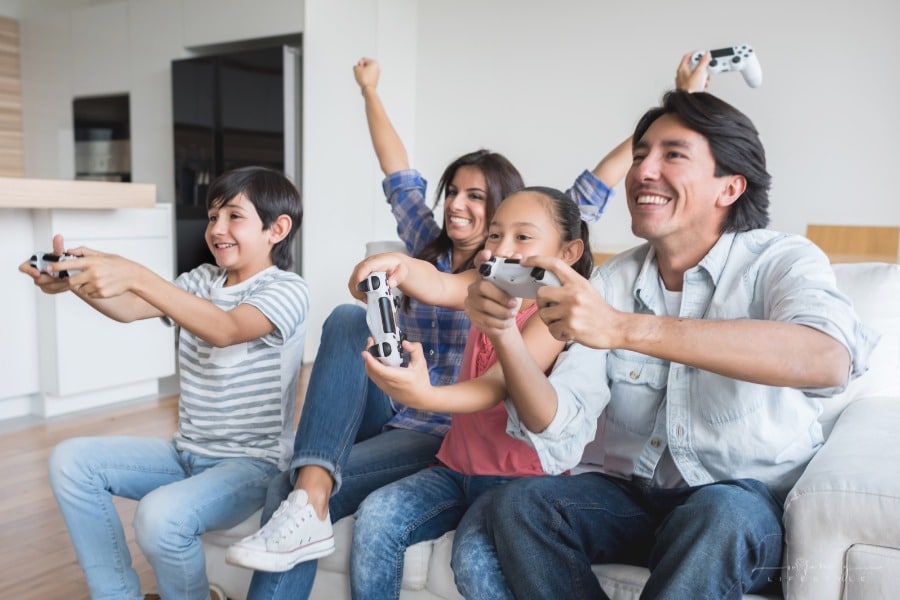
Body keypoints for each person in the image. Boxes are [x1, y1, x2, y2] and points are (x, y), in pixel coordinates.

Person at [454, 88, 879, 600]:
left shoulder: (783, 260)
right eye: (639, 156)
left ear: (729, 187)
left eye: (671, 154)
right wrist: (505, 336)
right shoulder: (612, 280)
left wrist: (624, 328)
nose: (642, 171)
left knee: (719, 512)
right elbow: (559, 421)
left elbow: (826, 357)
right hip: (637, 499)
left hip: (744, 508)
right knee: (519, 505)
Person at [226, 56, 625, 599]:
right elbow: (417, 232)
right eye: (454, 194)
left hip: (447, 426)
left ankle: (311, 492)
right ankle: (309, 495)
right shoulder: (452, 258)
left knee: (457, 552)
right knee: (346, 320)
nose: (459, 207)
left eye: (478, 199)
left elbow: (591, 191)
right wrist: (389, 267)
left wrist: (650, 132)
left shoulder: (553, 302)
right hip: (411, 411)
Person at [21, 166, 309, 600]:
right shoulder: (199, 281)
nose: (218, 229)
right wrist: (72, 281)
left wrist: (136, 273)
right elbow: (130, 308)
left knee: (159, 517)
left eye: (234, 216)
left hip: (252, 465)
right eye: (213, 217)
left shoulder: (286, 289)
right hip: (186, 452)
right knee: (70, 461)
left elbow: (226, 329)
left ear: (277, 229)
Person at [346, 186, 592, 599]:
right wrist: (396, 265)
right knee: (376, 516)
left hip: (516, 485)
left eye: (523, 237)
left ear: (567, 253)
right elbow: (439, 283)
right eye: (495, 235)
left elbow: (494, 387)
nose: (502, 247)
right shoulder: (486, 286)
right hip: (454, 468)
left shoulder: (556, 315)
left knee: (474, 561)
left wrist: (424, 395)